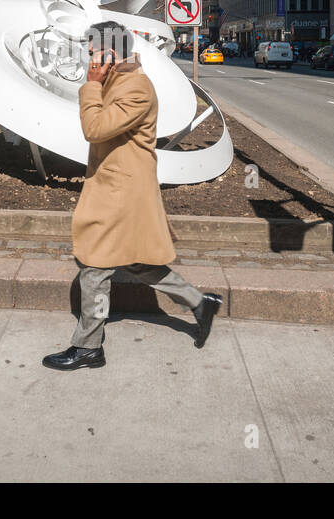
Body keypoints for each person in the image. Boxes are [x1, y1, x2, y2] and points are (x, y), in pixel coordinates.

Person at [43, 21, 223, 371]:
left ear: (109, 53)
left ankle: (88, 347)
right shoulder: (118, 82)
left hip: (121, 193)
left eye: (92, 50)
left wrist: (91, 86)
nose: (86, 58)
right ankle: (200, 303)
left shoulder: (134, 88)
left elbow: (94, 129)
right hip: (116, 188)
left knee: (94, 266)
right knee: (139, 262)